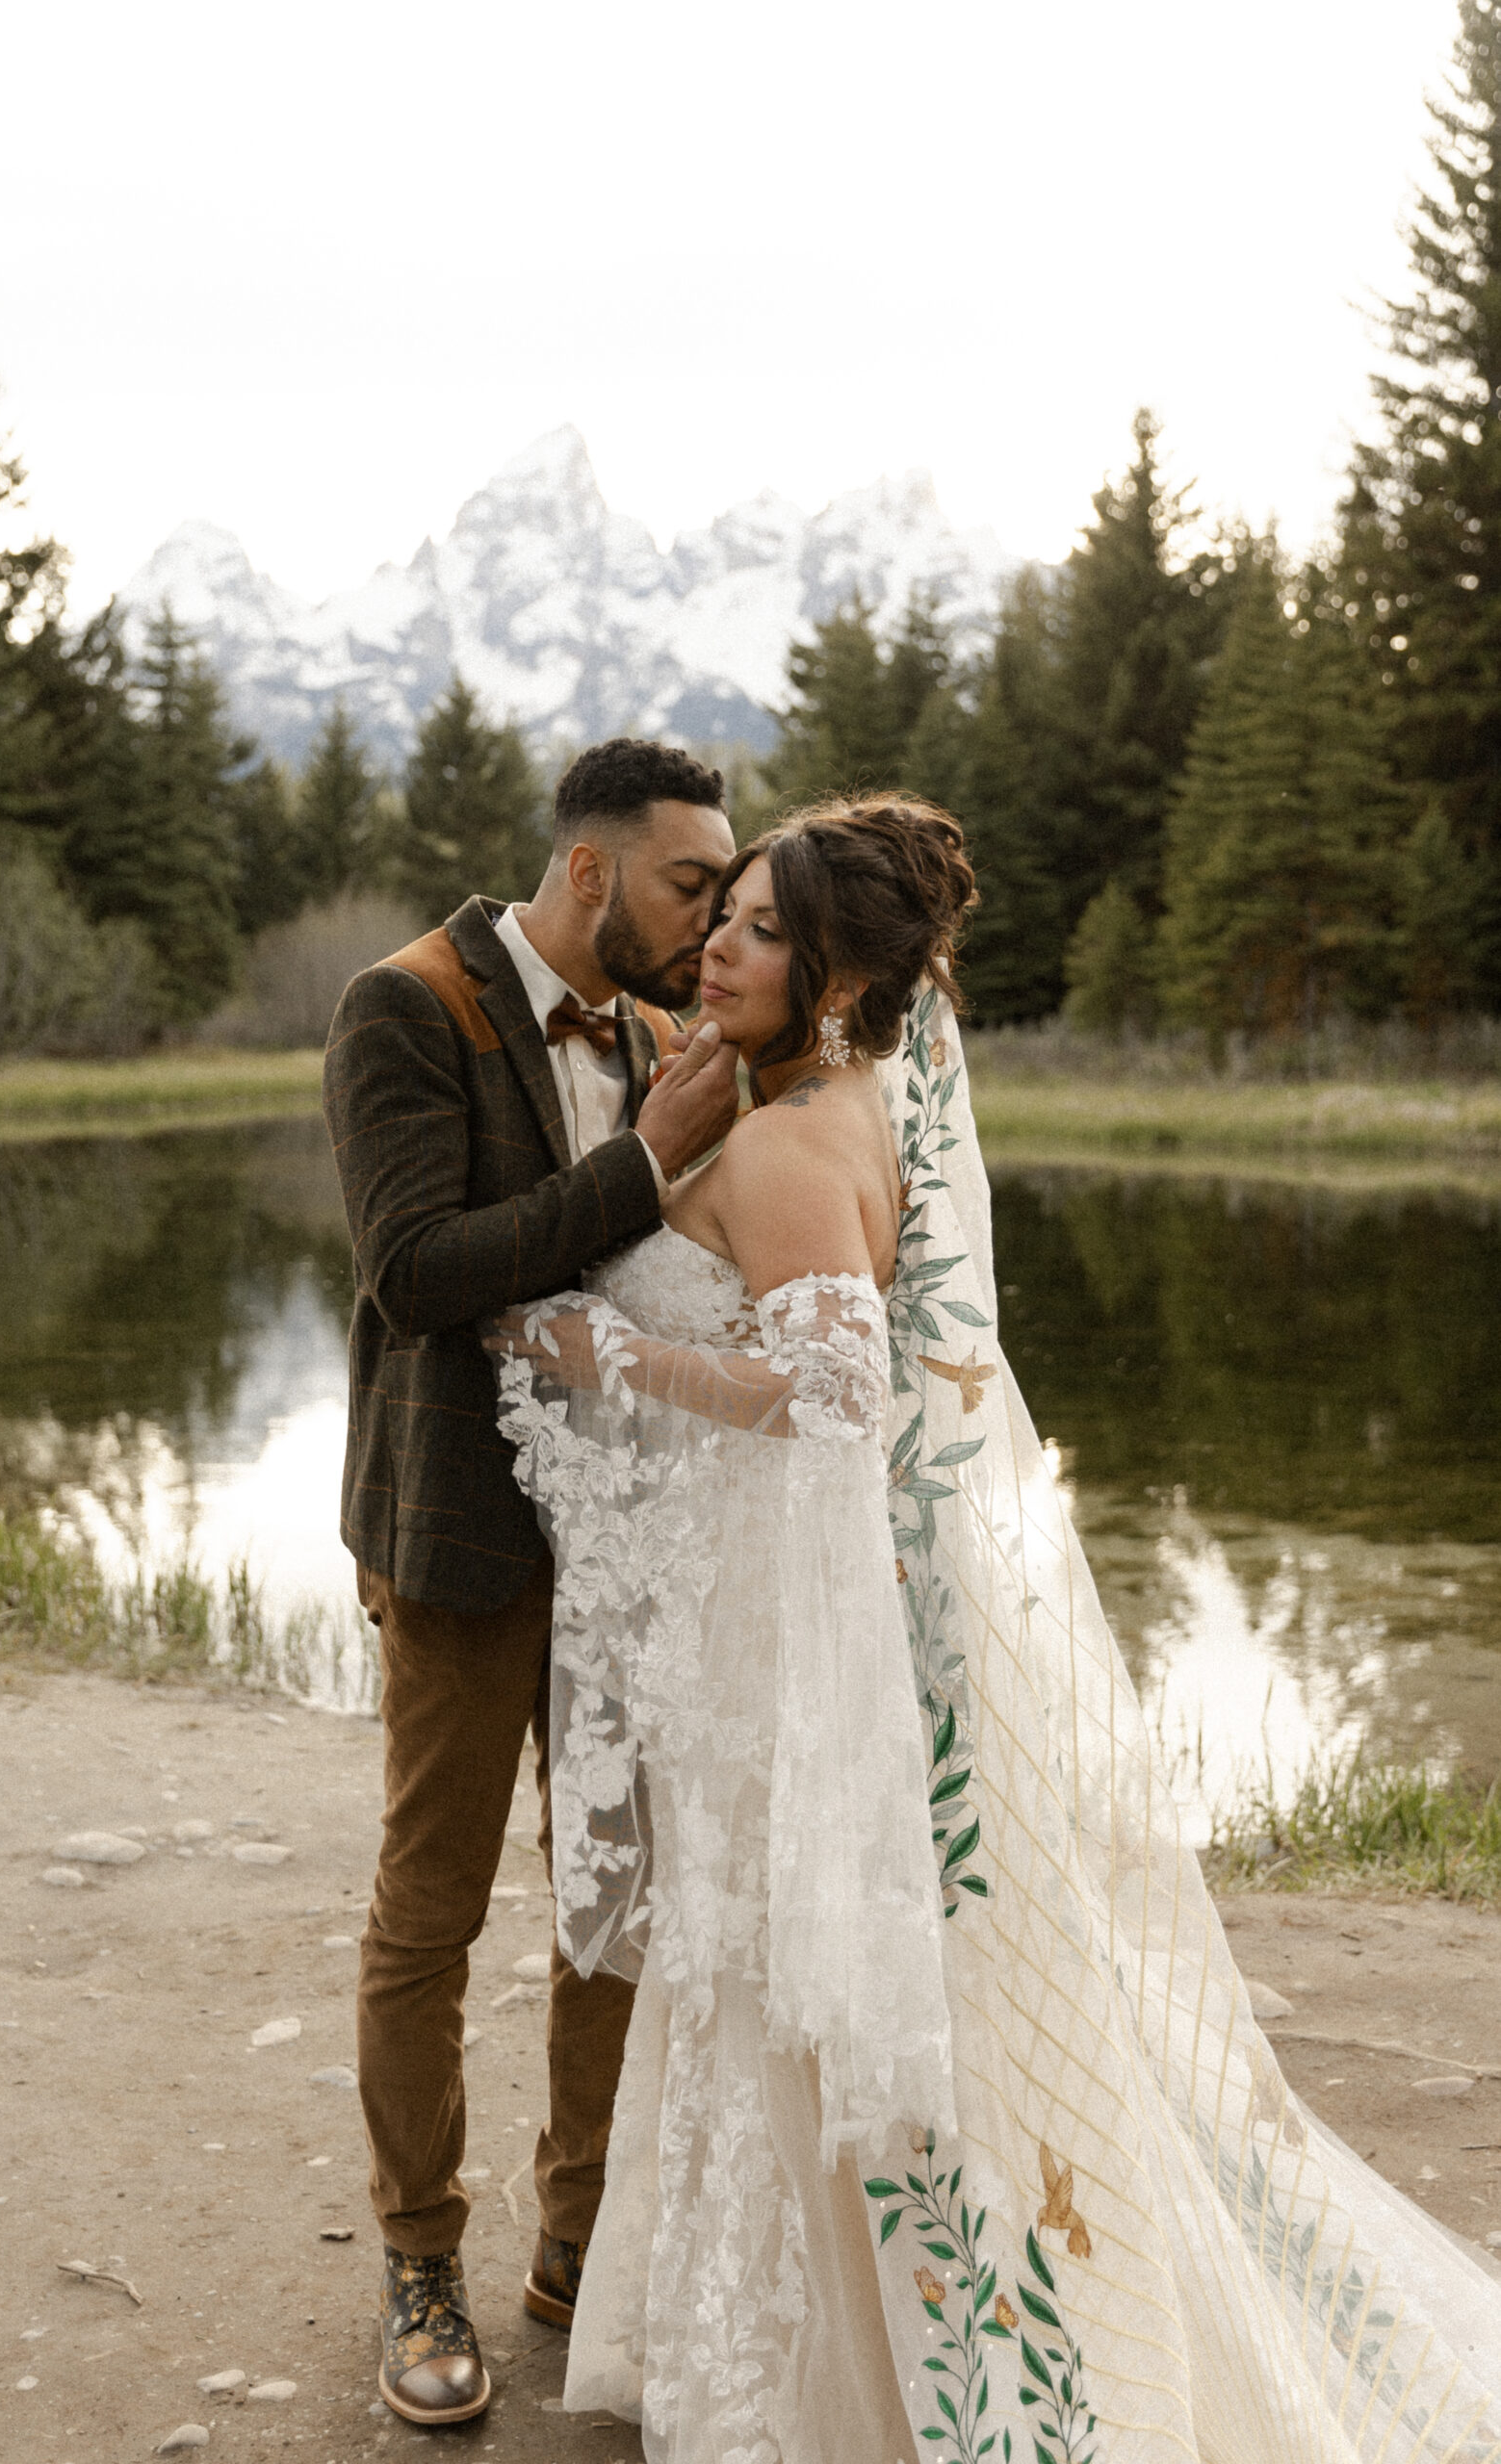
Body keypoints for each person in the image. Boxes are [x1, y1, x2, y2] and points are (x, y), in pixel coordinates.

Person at [488, 794, 1501, 2463]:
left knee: (782, 1965)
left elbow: (832, 1386)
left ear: (827, 977)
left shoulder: (800, 1140)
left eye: (750, 928)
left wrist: (603, 1354)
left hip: (783, 1633)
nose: (712, 948)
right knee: (767, 1965)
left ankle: (858, 2385)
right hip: (784, 1613)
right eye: (718, 914)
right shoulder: (841, 1093)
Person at [322, 737, 740, 2427]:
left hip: (629, 1546)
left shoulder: (657, 1038)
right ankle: (422, 2262)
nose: (709, 919)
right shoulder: (405, 1004)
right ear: (591, 872)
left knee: (614, 1901)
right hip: (460, 1537)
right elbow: (415, 1270)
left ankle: (582, 2238)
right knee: (431, 1914)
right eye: (689, 883)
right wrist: (641, 1165)